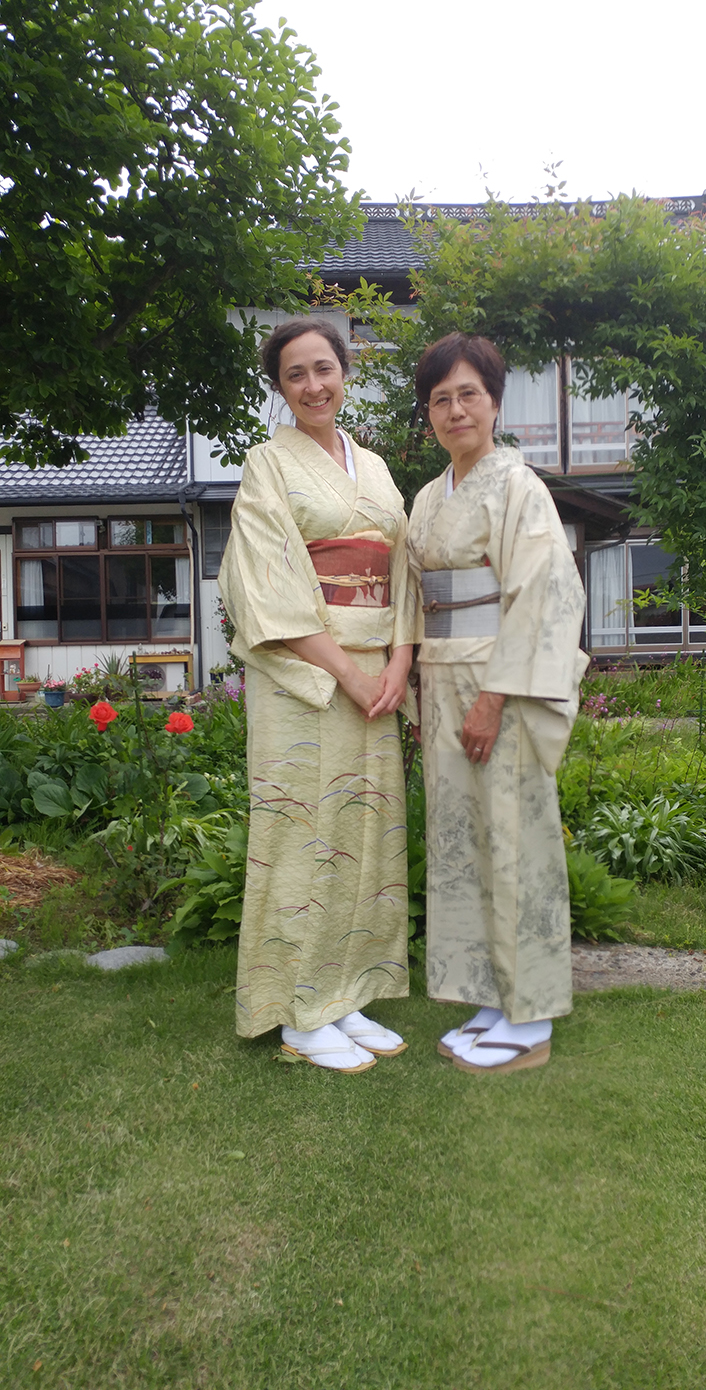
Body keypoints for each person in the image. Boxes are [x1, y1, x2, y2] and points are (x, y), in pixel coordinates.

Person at [218, 317, 420, 1072]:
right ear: (280, 387)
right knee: (304, 834)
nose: (313, 385)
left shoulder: (375, 468)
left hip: (375, 675)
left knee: (365, 833)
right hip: (305, 677)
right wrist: (352, 673)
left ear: (345, 371)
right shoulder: (267, 465)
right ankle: (299, 1013)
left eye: (324, 368)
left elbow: (404, 571)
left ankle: (345, 992)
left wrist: (399, 663)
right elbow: (265, 583)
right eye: (295, 374)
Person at [406, 332, 587, 1073]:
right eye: (440, 399)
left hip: (498, 682)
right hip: (440, 676)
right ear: (429, 413)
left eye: (468, 395)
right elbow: (417, 598)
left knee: (514, 835)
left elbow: (543, 595)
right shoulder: (428, 498)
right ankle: (488, 993)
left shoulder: (519, 487)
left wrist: (494, 697)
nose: (455, 411)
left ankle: (531, 1014)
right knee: (462, 840)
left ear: (495, 403)